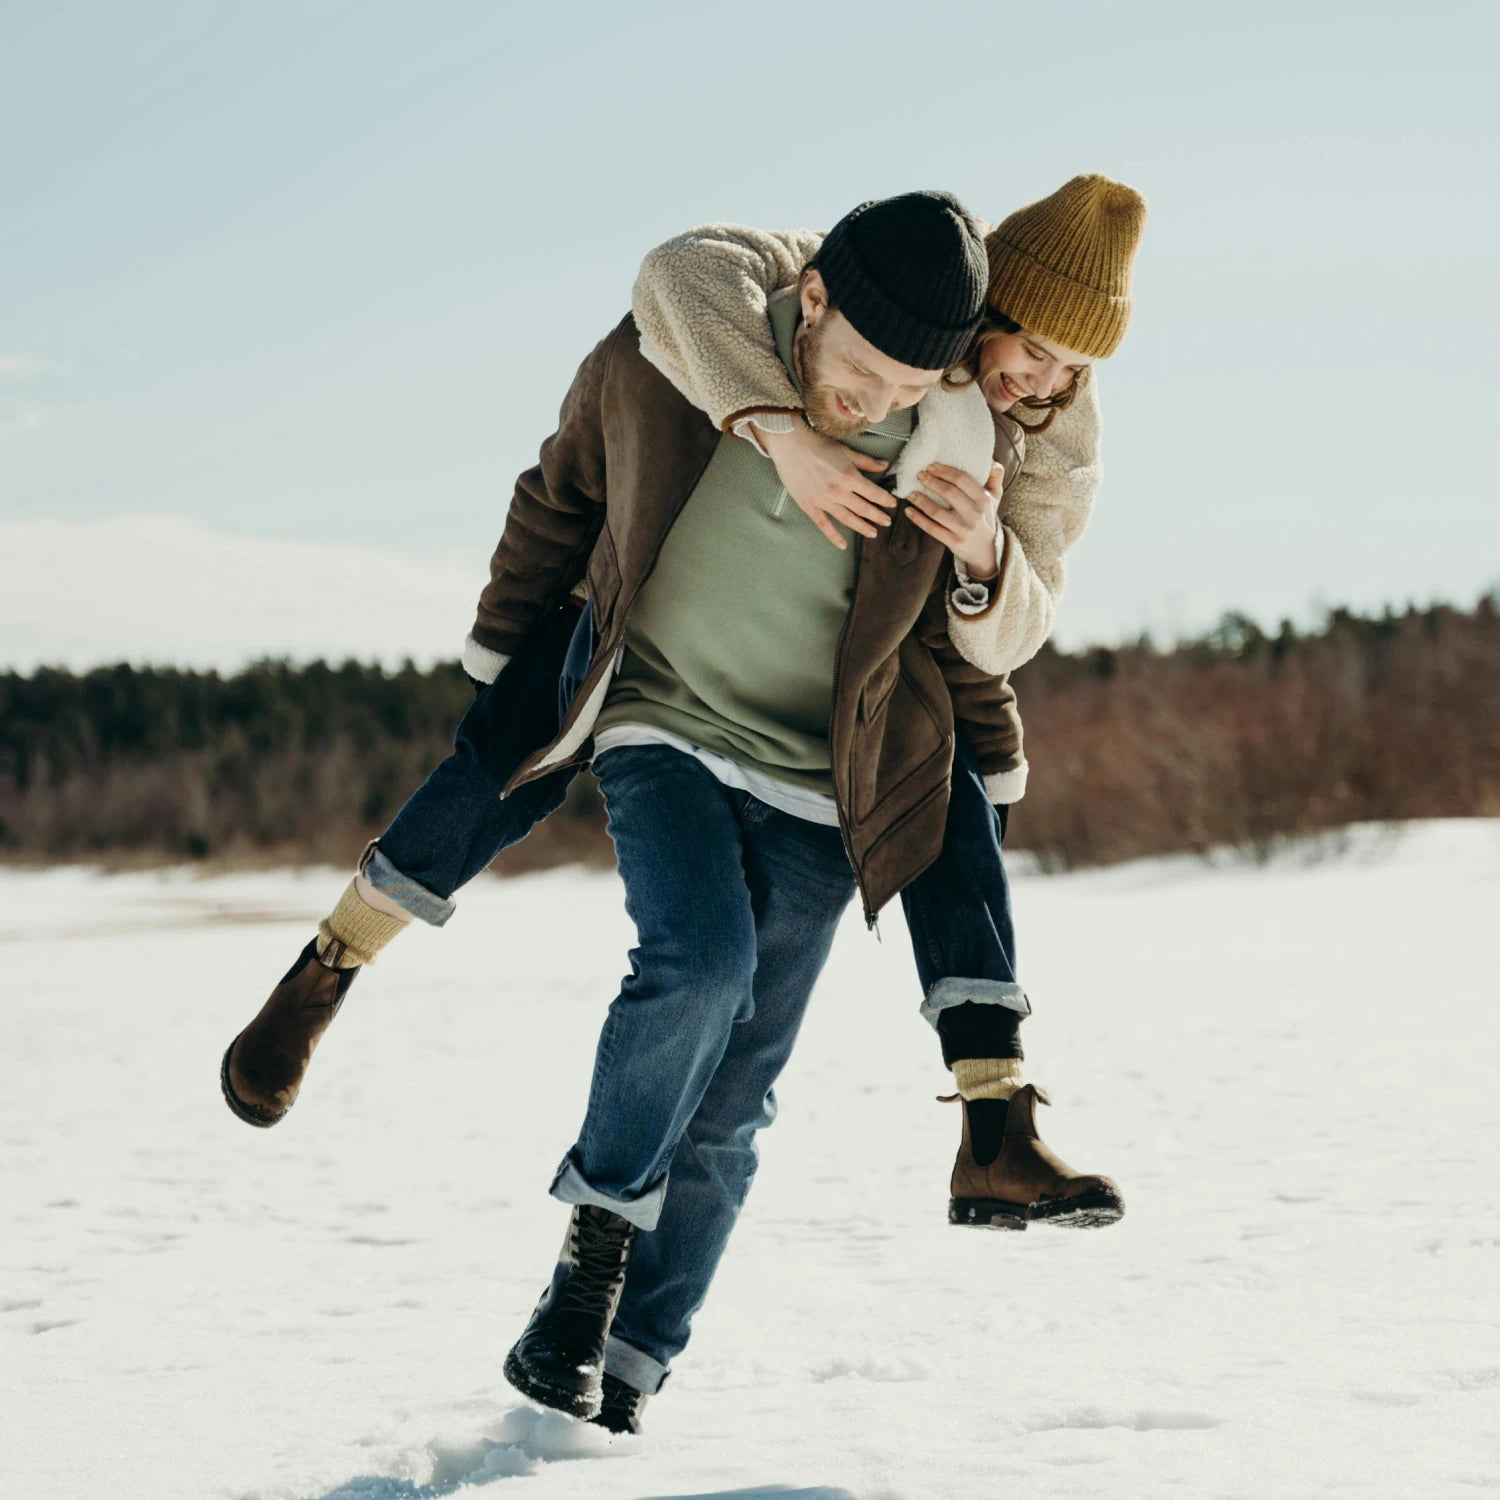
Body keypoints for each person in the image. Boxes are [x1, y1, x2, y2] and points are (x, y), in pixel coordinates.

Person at [220, 180, 1146, 1430]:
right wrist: (777, 428)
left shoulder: (992, 436)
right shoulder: (724, 339)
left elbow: (1009, 635)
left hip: (827, 776)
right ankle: (578, 1251)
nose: (1041, 379)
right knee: (695, 965)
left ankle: (623, 1379)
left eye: (1072, 366)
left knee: (737, 1098)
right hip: (665, 722)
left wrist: (984, 557)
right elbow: (672, 286)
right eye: (1029, 348)